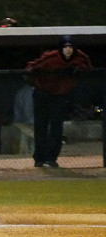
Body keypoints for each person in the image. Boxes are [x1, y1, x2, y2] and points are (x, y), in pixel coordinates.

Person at [25, 35, 93, 168]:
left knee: (56, 126)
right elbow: (30, 67)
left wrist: (79, 70)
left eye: (70, 47)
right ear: (61, 48)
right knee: (41, 126)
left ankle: (51, 158)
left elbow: (88, 67)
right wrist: (35, 71)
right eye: (65, 47)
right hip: (43, 92)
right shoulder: (51, 57)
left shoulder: (80, 57)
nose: (68, 50)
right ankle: (39, 158)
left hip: (60, 95)